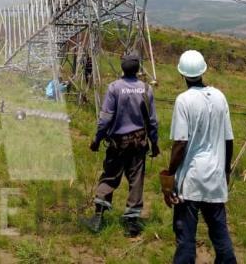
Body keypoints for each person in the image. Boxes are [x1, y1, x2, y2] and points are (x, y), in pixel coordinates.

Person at [160, 50, 237, 263]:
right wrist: (226, 170)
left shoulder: (183, 100)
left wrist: (170, 175)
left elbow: (180, 143)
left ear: (182, 75)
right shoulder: (220, 97)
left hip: (191, 180)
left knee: (185, 239)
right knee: (221, 237)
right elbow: (228, 140)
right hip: (215, 178)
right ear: (203, 71)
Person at [81, 51, 159, 237]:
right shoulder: (146, 89)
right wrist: (154, 143)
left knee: (110, 177)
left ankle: (98, 218)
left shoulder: (114, 88)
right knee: (136, 179)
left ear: (122, 67)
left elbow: (105, 119)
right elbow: (152, 121)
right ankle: (132, 222)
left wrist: (97, 139)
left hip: (118, 142)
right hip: (139, 141)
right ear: (138, 68)